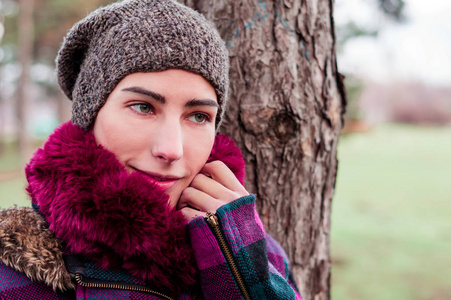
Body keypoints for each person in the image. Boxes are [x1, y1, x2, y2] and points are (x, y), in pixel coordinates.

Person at [0, 0, 302, 299]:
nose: (171, 150)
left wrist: (244, 279)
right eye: (143, 107)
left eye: (198, 116)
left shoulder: (258, 255)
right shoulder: (13, 276)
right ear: (89, 115)